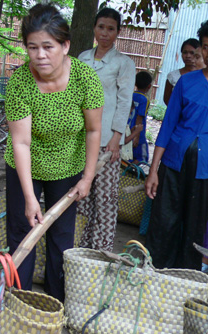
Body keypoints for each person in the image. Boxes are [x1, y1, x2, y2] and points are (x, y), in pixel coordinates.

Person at [4, 3, 103, 302]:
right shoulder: (20, 83)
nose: (40, 55)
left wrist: (87, 178)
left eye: (48, 46)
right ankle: (19, 299)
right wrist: (31, 198)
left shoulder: (86, 79)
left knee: (61, 235)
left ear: (65, 45)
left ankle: (54, 298)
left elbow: (93, 131)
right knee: (23, 230)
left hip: (67, 166)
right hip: (25, 165)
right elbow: (21, 143)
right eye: (32, 47)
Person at [144, 19, 208, 270]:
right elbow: (167, 127)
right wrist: (154, 170)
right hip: (173, 162)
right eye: (206, 47)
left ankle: (183, 280)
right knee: (163, 221)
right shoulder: (186, 83)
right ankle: (155, 272)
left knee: (195, 227)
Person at [77, 8, 136, 253]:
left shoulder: (123, 63)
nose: (105, 33)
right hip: (80, 137)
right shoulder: (82, 58)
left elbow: (124, 102)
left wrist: (116, 138)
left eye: (111, 28)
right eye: (101, 27)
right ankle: (79, 246)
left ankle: (101, 250)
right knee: (81, 194)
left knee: (105, 197)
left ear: (118, 32)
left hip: (106, 140)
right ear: (94, 28)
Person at [125, 71, 153, 163]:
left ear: (135, 83)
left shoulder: (130, 95)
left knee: (128, 153)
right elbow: (139, 117)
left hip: (127, 130)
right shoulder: (144, 99)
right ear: (149, 86)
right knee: (142, 157)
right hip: (138, 131)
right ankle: (132, 173)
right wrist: (136, 136)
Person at [163, 38, 201, 105]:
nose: (188, 56)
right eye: (185, 52)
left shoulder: (204, 76)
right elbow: (167, 99)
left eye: (192, 53)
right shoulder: (173, 76)